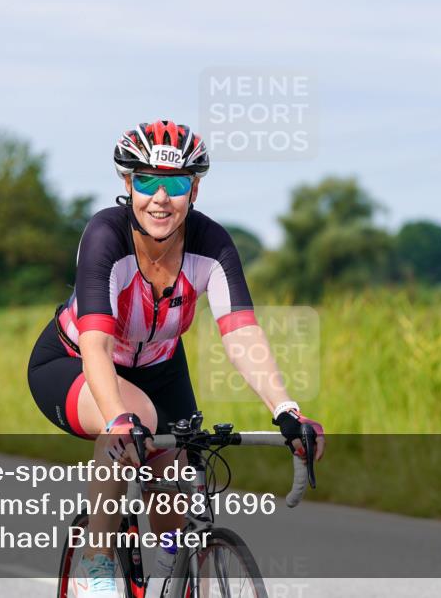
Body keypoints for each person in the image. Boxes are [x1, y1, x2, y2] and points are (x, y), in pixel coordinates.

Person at [28, 119, 324, 598]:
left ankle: (170, 576)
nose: (161, 198)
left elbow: (241, 333)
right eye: (147, 182)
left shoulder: (212, 244)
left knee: (179, 485)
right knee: (134, 423)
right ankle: (96, 560)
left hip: (161, 369)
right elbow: (97, 344)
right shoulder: (106, 235)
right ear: (128, 183)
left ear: (195, 189)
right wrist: (118, 419)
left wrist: (286, 409)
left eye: (177, 184)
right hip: (73, 360)